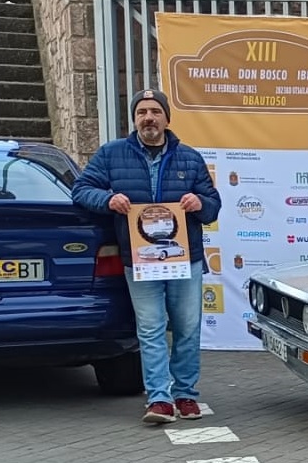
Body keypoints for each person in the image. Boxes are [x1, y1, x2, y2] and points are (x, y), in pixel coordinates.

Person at [72, 89, 221, 424]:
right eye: (141, 112)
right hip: (139, 259)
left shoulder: (190, 158)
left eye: (155, 111)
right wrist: (108, 200)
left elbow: (213, 204)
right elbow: (81, 190)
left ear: (167, 118)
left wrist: (200, 204)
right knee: (151, 328)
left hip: (184, 258)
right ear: (134, 119)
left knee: (186, 327)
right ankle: (159, 399)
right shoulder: (111, 154)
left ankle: (185, 395)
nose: (148, 118)